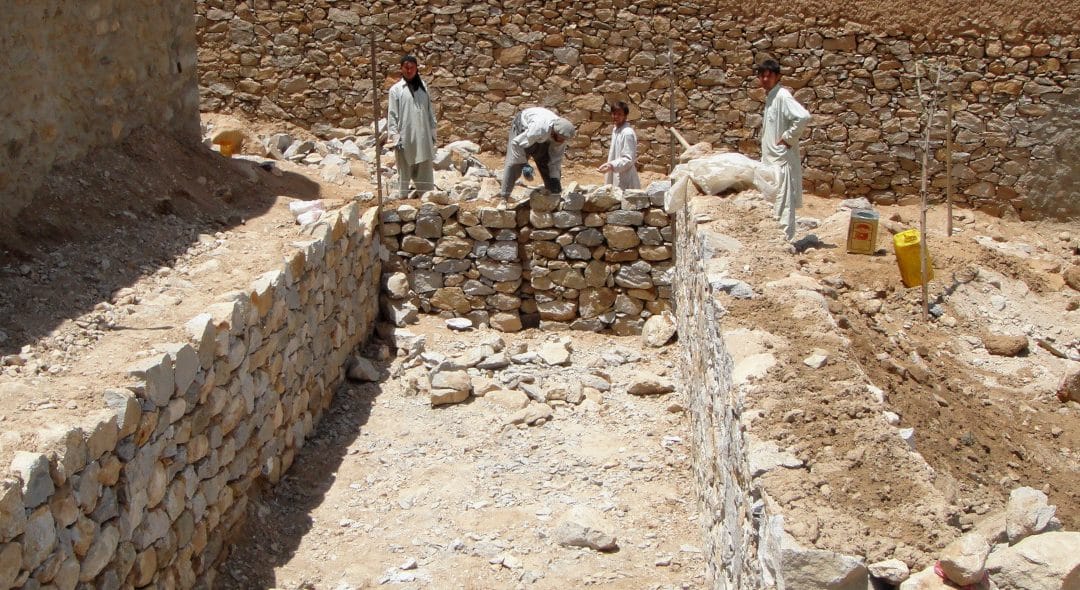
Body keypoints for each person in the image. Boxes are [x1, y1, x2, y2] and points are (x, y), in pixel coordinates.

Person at [756, 58, 811, 243]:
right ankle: (775, 239)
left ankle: (784, 241)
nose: (765, 79)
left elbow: (802, 116)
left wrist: (788, 138)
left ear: (777, 77)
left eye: (769, 76)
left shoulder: (782, 96)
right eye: (762, 76)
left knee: (784, 200)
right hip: (772, 158)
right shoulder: (771, 96)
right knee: (775, 199)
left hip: (781, 159)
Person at [387, 55, 437, 198]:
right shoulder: (396, 90)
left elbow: (429, 112)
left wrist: (433, 135)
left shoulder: (424, 87)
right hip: (405, 137)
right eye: (406, 68)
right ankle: (402, 201)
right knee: (404, 172)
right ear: (401, 69)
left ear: (416, 69)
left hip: (424, 138)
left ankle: (427, 199)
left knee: (425, 173)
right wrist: (396, 138)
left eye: (412, 68)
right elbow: (392, 114)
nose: (409, 71)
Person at [499, 107, 576, 199]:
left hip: (543, 133)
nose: (562, 141)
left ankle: (552, 194)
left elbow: (555, 160)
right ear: (554, 132)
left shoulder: (561, 138)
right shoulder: (538, 130)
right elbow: (516, 143)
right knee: (514, 164)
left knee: (546, 160)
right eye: (561, 138)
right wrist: (524, 164)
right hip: (522, 127)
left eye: (564, 139)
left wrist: (555, 178)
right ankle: (504, 197)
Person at [597, 101, 641, 190]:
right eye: (614, 114)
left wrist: (611, 166)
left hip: (625, 177)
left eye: (619, 114)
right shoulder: (616, 130)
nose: (616, 116)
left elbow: (628, 159)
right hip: (616, 174)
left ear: (625, 116)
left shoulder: (627, 133)